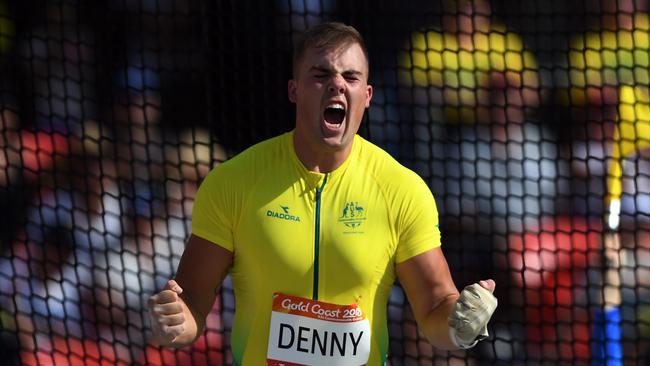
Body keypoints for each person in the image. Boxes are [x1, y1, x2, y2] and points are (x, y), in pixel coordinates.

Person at [148, 22, 498, 365]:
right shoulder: (233, 182)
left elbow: (436, 308)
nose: (336, 86)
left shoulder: (401, 190)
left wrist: (462, 324)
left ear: (368, 95)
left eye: (351, 77)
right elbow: (191, 302)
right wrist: (176, 322)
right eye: (321, 75)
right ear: (294, 90)